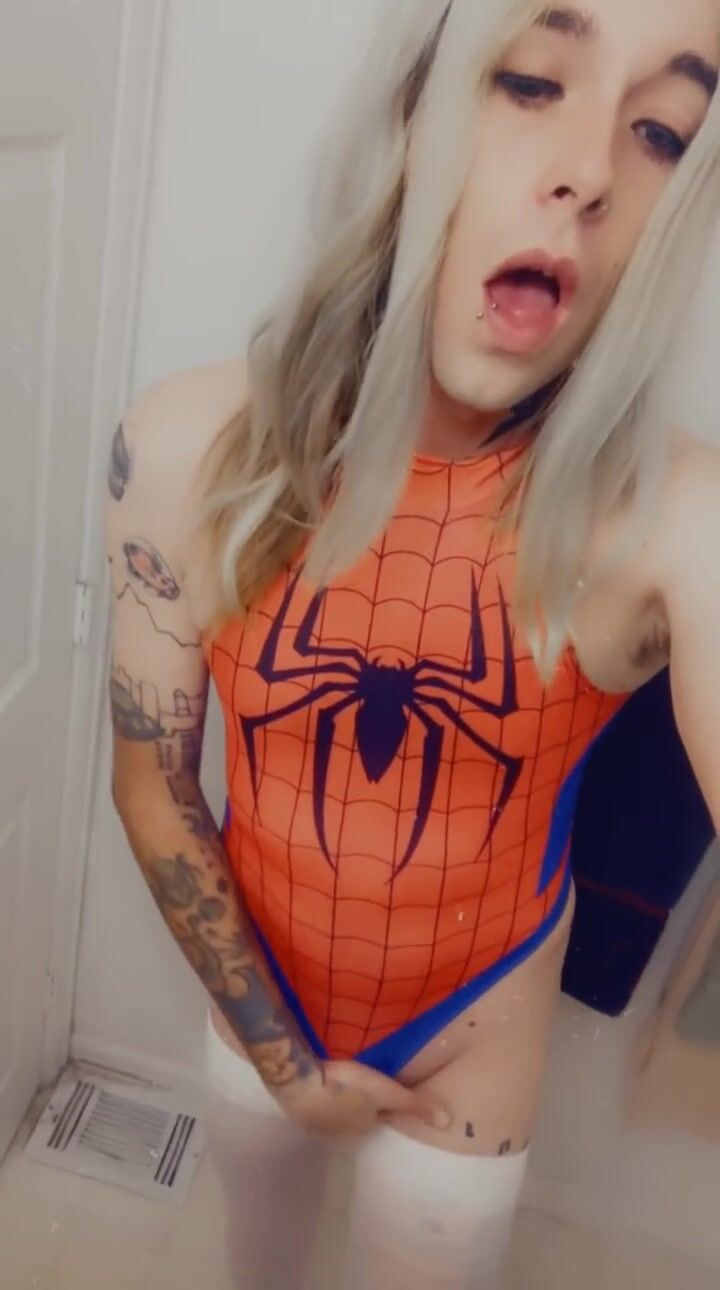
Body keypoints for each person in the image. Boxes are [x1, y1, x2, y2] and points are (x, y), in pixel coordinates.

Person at [108, 0, 720, 1286]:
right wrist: (281, 1058)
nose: (591, 170)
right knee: (259, 1263)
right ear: (412, 111)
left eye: (664, 130)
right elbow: (153, 778)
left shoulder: (677, 522)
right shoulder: (187, 449)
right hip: (259, 978)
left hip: (477, 1021)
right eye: (532, 81)